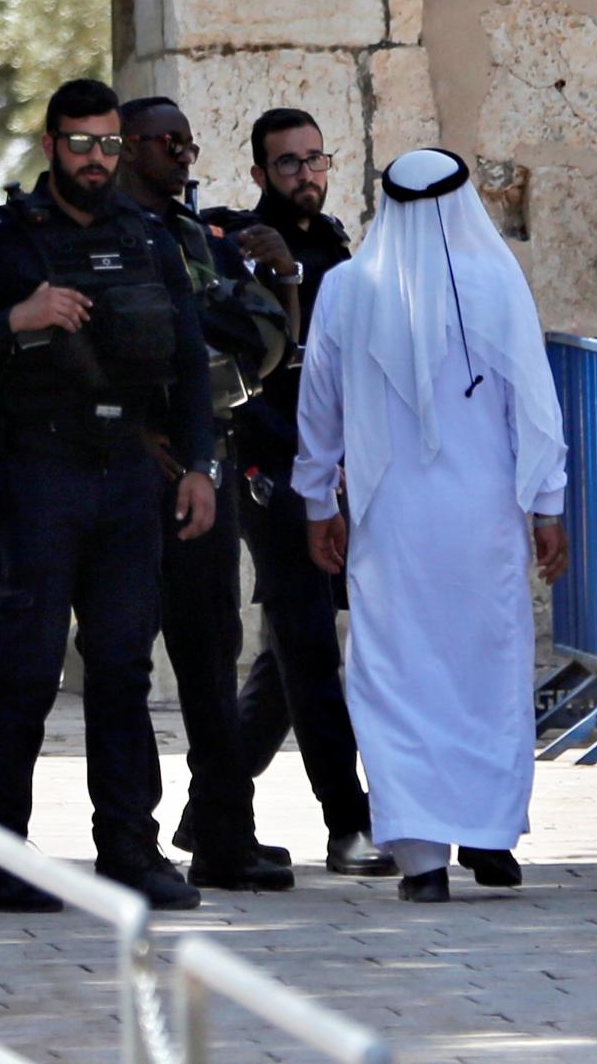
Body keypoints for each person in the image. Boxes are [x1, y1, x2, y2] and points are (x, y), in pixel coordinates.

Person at [0, 79, 218, 912]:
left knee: (124, 667)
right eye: (80, 144)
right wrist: (17, 318)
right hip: (41, 472)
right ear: (51, 145)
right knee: (23, 669)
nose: (96, 160)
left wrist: (199, 465)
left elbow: (191, 362)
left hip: (128, 475)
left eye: (109, 146)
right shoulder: (2, 243)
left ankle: (129, 850)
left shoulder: (150, 237)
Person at [294, 149, 571, 903]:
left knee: (399, 674)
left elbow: (318, 408)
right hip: (482, 519)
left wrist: (319, 501)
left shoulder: (347, 289)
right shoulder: (496, 284)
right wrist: (548, 504)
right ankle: (484, 830)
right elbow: (535, 408)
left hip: (392, 524)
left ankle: (423, 856)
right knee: (485, 670)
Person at [116, 96, 295, 893]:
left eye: (190, 143)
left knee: (210, 652)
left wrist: (282, 279)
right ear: (126, 147)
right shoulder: (100, 234)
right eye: (167, 142)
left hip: (200, 464)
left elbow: (258, 344)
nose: (184, 155)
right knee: (121, 660)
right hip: (123, 472)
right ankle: (131, 838)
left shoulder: (196, 237)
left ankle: (226, 832)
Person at [207, 107, 389, 878]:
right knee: (309, 644)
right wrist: (279, 275)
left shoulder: (337, 245)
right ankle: (348, 824)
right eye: (287, 164)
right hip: (273, 466)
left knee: (285, 658)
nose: (304, 176)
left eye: (315, 160)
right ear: (259, 174)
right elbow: (263, 372)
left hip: (337, 465)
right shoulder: (245, 250)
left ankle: (207, 813)